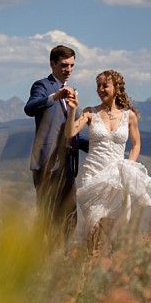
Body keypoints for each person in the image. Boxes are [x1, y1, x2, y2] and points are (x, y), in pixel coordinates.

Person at [63, 69, 151, 249]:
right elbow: (70, 133)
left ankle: (110, 269)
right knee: (93, 228)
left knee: (115, 232)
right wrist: (73, 110)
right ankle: (88, 269)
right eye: (98, 86)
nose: (101, 89)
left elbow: (136, 144)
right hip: (93, 176)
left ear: (116, 88)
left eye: (105, 86)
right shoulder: (89, 112)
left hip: (118, 179)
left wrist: (129, 166)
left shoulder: (129, 115)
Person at [25, 45, 89, 239]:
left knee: (70, 218)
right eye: (63, 65)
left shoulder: (71, 93)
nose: (68, 70)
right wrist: (55, 97)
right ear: (52, 63)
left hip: (67, 166)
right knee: (47, 216)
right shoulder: (42, 86)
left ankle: (63, 260)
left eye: (71, 65)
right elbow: (29, 108)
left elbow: (71, 133)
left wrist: (99, 145)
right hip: (47, 164)